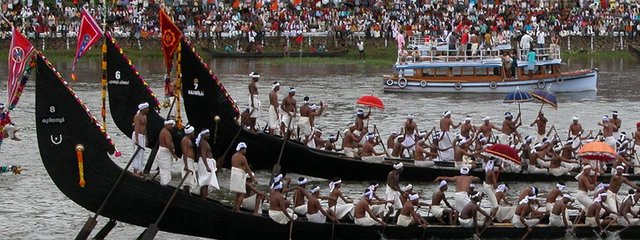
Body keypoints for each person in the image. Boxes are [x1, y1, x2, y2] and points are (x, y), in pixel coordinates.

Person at [231, 142, 256, 212]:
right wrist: (253, 179)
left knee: (238, 192)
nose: (245, 151)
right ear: (241, 149)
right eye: (245, 149)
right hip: (239, 174)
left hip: (234, 174)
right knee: (242, 193)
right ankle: (238, 209)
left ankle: (234, 207)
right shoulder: (243, 157)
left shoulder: (233, 156)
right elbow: (247, 169)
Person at [197, 129, 219, 199]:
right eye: (207, 133)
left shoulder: (203, 142)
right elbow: (203, 154)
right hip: (205, 163)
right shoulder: (203, 143)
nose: (209, 135)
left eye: (209, 133)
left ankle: (202, 198)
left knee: (205, 182)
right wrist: (207, 166)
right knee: (205, 183)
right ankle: (204, 200)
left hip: (206, 162)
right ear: (203, 135)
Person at [156, 120, 178, 185]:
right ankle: (164, 185)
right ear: (166, 125)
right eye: (171, 125)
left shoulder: (165, 131)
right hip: (164, 153)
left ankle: (164, 184)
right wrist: (174, 154)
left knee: (165, 171)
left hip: (164, 153)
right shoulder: (166, 133)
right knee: (165, 171)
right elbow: (169, 145)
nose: (172, 126)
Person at [132, 102, 149, 177]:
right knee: (137, 153)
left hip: (143, 136)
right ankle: (135, 171)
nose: (148, 110)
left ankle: (140, 170)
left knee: (142, 153)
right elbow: (136, 127)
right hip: (137, 135)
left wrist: (146, 138)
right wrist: (136, 139)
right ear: (143, 109)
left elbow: (145, 128)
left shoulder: (145, 116)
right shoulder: (137, 116)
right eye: (147, 108)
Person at [180, 126, 197, 193]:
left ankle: (187, 194)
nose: (194, 133)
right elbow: (184, 153)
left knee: (190, 180)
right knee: (187, 181)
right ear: (190, 132)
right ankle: (184, 195)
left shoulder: (188, 140)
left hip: (190, 161)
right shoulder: (185, 140)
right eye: (193, 132)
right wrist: (186, 165)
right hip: (187, 161)